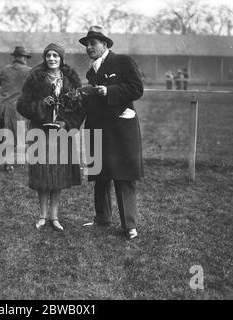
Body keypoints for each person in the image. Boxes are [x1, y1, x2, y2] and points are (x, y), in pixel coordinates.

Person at [79, 26, 144, 240]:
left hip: (120, 129)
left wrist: (110, 91)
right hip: (99, 127)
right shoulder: (91, 71)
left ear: (105, 44)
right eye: (87, 44)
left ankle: (130, 225)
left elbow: (136, 89)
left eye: (93, 43)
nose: (89, 47)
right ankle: (102, 218)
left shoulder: (123, 61)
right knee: (101, 174)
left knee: (123, 176)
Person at [17, 43, 85, 232]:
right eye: (48, 55)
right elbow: (22, 105)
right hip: (41, 132)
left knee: (58, 174)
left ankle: (54, 217)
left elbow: (80, 108)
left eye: (56, 55)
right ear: (45, 58)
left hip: (62, 134)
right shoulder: (35, 77)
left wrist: (67, 123)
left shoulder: (71, 78)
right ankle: (42, 215)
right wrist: (41, 104)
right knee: (42, 174)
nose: (52, 59)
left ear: (61, 58)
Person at [0, 46, 32, 171]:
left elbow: (1, 83)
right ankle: (8, 163)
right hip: (15, 108)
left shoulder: (5, 69)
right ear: (23, 57)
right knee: (15, 136)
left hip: (1, 107)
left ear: (15, 57)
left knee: (4, 135)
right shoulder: (29, 71)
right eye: (25, 57)